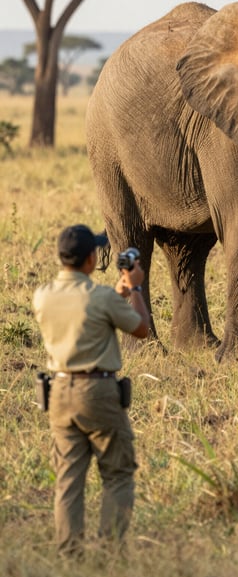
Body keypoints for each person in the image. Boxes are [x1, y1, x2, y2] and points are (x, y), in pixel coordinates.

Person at [32, 224, 150, 555]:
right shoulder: (99, 298)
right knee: (117, 473)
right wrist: (137, 289)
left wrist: (119, 292)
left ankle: (70, 551)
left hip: (58, 392)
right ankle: (110, 550)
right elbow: (141, 329)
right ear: (91, 259)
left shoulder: (42, 295)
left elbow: (90, 309)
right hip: (96, 392)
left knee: (68, 477)